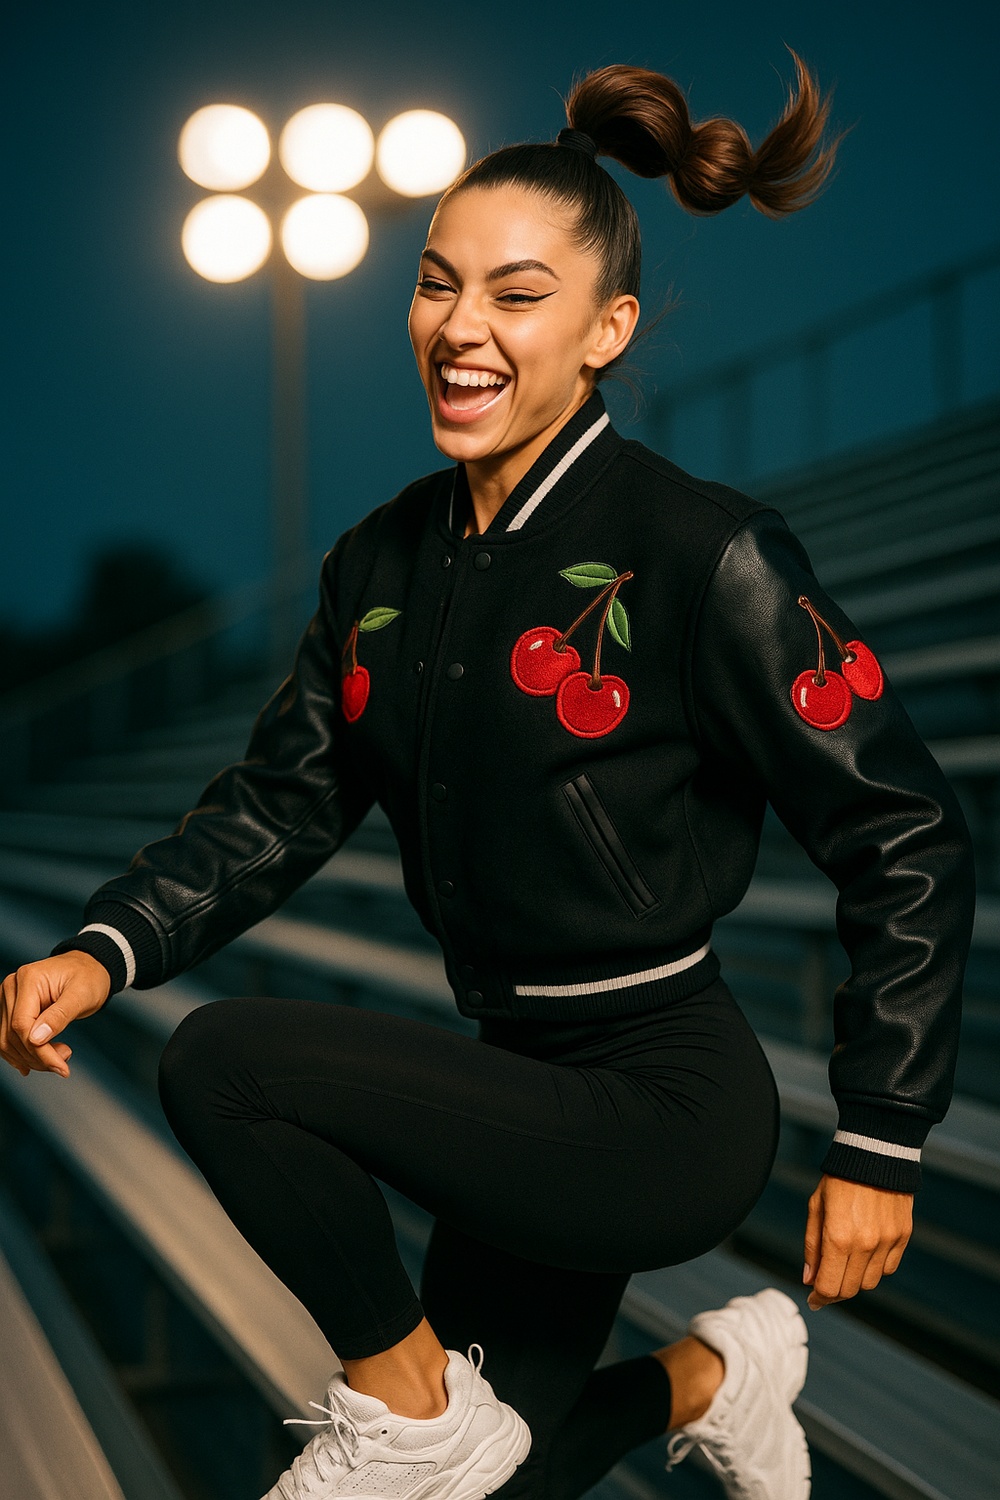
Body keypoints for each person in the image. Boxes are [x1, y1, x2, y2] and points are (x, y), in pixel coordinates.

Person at [1, 48, 975, 1500]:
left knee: (226, 1065)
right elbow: (282, 800)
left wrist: (884, 1136)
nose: (462, 326)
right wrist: (107, 942)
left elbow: (904, 831)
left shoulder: (709, 551)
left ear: (606, 329)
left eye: (518, 296)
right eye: (436, 282)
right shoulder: (380, 560)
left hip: (663, 1101)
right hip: (516, 1090)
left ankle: (411, 1414)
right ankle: (715, 1376)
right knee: (495, 1490)